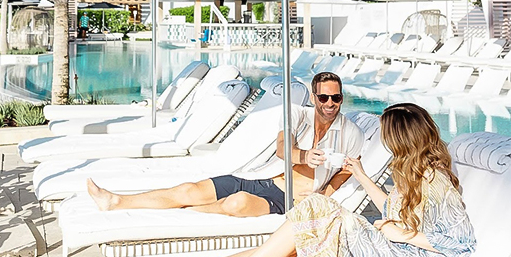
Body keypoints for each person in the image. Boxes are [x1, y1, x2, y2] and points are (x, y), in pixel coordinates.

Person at [142, 102, 476, 257]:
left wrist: (401, 234)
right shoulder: (412, 170)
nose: (385, 142)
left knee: (317, 208)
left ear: (401, 138)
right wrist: (361, 176)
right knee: (294, 247)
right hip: (392, 248)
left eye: (388, 135)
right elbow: (393, 208)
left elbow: (459, 243)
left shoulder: (437, 181)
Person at [87, 72, 364, 217]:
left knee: (237, 204)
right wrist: (303, 155)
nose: (330, 104)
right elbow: (283, 148)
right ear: (314, 97)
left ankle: (182, 214)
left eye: (336, 98)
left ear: (341, 98)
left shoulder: (350, 132)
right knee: (189, 188)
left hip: (288, 199)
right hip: (259, 177)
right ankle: (116, 201)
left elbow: (350, 169)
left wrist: (324, 193)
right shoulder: (296, 113)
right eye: (324, 98)